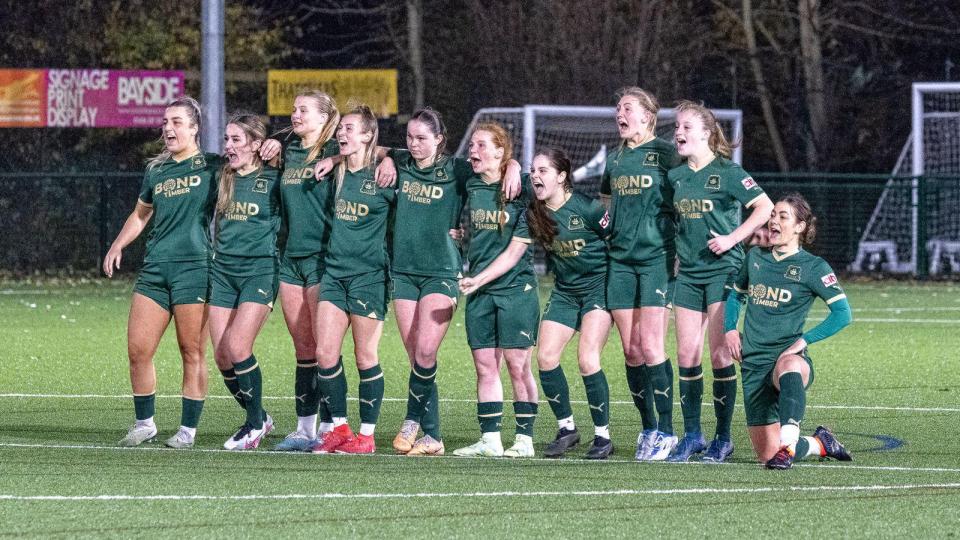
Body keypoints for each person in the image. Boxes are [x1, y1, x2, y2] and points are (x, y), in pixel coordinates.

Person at [377, 108, 521, 457]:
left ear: (440, 140)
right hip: (404, 272)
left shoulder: (456, 170)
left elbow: (499, 166)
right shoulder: (402, 162)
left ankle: (415, 421)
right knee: (416, 356)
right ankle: (432, 436)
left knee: (426, 350)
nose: (414, 144)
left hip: (443, 272)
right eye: (410, 137)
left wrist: (514, 166)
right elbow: (373, 148)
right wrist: (388, 160)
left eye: (422, 138)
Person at [104, 96, 218, 449]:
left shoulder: (213, 165)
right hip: (155, 269)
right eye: (165, 122)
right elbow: (141, 214)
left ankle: (187, 430)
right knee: (138, 349)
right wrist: (117, 245)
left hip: (195, 269)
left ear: (194, 128)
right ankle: (144, 423)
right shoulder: (157, 169)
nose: (168, 128)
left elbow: (251, 166)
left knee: (191, 350)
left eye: (176, 122)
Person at [667, 100, 774, 462]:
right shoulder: (676, 176)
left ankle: (723, 438)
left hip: (724, 270)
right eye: (676, 127)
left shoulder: (728, 172)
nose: (678, 132)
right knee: (685, 353)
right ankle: (692, 435)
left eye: (685, 127)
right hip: (689, 274)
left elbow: (765, 207)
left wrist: (732, 239)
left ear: (707, 133)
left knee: (718, 354)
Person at [724, 194, 853, 469]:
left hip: (786, 355)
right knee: (766, 455)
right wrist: (730, 331)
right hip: (753, 363)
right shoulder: (755, 258)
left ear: (800, 227)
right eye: (772, 216)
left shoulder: (814, 267)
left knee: (790, 365)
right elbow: (736, 295)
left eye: (782, 216)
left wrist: (803, 341)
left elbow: (843, 314)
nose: (773, 221)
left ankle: (787, 444)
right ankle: (820, 443)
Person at [598, 87, 682, 461]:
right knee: (631, 351)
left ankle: (667, 431)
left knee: (651, 346)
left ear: (648, 116)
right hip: (619, 262)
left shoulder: (666, 154)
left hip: (656, 261)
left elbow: (689, 194)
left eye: (627, 108)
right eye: (617, 108)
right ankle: (647, 427)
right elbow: (605, 199)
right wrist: (609, 224)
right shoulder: (615, 159)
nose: (620, 113)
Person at [309, 105, 396, 454]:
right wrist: (332, 160)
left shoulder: (386, 174)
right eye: (340, 129)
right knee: (325, 354)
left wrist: (389, 158)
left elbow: (413, 156)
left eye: (348, 128)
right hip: (334, 273)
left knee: (365, 357)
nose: (340, 134)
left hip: (369, 277)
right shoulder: (338, 167)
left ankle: (368, 435)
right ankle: (341, 430)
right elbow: (328, 155)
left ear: (367, 135)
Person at [456, 122, 540, 458]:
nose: (472, 151)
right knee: (485, 366)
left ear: (500, 151)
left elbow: (514, 252)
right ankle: (490, 439)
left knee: (518, 366)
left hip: (514, 289)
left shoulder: (522, 190)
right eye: (471, 145)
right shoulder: (471, 181)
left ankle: (524, 440)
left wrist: (517, 167)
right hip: (480, 289)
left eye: (479, 146)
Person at [526, 148, 615, 459]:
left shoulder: (588, 209)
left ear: (561, 176)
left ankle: (603, 436)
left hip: (597, 289)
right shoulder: (534, 211)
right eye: (532, 170)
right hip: (565, 291)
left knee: (587, 359)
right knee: (546, 356)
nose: (535, 175)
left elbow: (615, 243)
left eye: (542, 171)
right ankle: (567, 429)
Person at [208, 113, 280, 450]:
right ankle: (260, 416)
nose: (229, 146)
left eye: (237, 140)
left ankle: (253, 426)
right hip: (223, 272)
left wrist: (280, 145)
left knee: (239, 347)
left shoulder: (274, 180)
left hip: (259, 271)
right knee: (223, 356)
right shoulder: (223, 177)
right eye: (227, 139)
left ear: (255, 145)